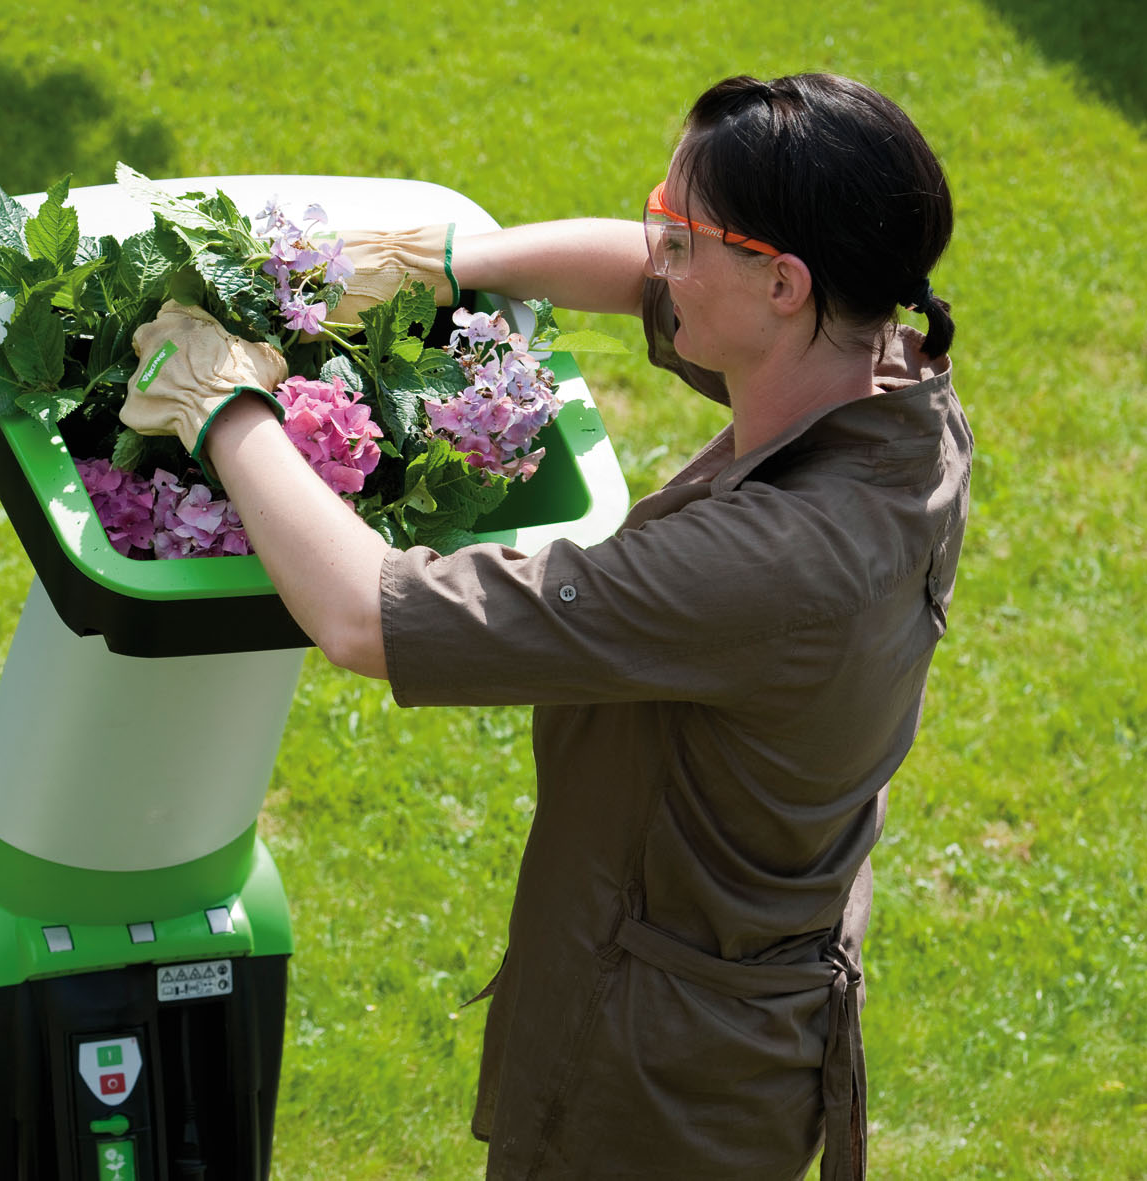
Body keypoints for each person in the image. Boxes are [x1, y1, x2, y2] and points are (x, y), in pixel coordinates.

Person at [120, 73, 969, 1180]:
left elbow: (366, 617)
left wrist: (222, 404)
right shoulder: (890, 387)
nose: (653, 252)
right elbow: (633, 267)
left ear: (780, 282)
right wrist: (448, 265)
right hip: (735, 1000)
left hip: (656, 1076)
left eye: (681, 235)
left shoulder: (765, 570)